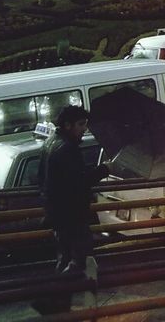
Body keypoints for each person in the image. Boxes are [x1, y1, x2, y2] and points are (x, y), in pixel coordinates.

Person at [39, 105, 109, 276]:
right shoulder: (68, 149)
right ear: (68, 125)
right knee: (80, 259)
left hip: (57, 213)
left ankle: (59, 296)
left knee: (65, 257)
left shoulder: (50, 142)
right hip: (73, 215)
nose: (85, 129)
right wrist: (105, 169)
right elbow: (80, 182)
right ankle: (60, 294)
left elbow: (42, 177)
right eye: (81, 124)